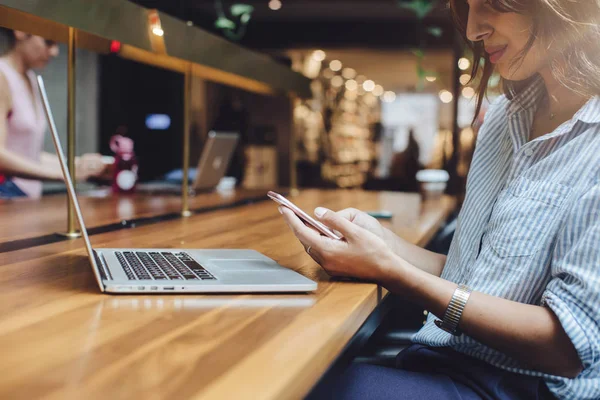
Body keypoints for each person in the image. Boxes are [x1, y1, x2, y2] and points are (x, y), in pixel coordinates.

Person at [279, 0, 600, 398]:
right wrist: (384, 245)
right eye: (468, 7)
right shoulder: (503, 117)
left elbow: (567, 348)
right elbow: (479, 274)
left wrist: (392, 272)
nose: (473, 29)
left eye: (492, 5)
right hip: (445, 361)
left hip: (522, 386)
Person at [0, 28, 104, 199]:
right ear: (20, 31)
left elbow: (29, 154)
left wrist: (78, 164)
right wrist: (65, 175)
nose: (55, 52)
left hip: (25, 196)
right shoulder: (2, 75)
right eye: (48, 42)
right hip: (6, 192)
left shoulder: (31, 78)